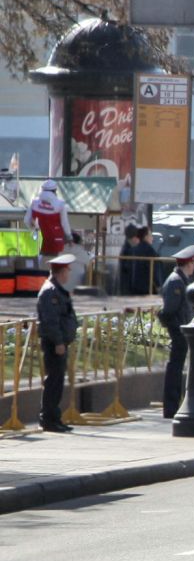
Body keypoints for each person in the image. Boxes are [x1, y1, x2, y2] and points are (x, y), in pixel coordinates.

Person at [36, 253, 80, 432]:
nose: (69, 273)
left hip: (60, 343)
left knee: (57, 381)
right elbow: (50, 320)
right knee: (53, 382)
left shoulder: (58, 289)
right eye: (67, 270)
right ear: (61, 272)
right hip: (54, 344)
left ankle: (54, 417)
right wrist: (58, 342)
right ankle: (48, 419)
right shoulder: (50, 292)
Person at [157, 246, 194, 418]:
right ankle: (171, 406)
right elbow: (169, 310)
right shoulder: (176, 281)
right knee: (175, 369)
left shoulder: (181, 280)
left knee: (177, 368)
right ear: (188, 263)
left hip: (181, 329)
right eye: (193, 263)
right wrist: (174, 327)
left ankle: (174, 404)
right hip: (179, 330)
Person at [30, 180, 73, 262]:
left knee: (43, 260)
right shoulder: (60, 204)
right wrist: (69, 237)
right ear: (55, 191)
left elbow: (32, 220)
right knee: (56, 262)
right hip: (57, 240)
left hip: (43, 240)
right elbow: (65, 223)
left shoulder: (35, 203)